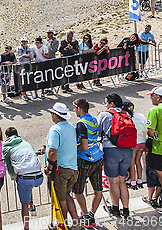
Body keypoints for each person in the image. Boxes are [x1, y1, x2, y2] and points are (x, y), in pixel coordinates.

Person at [98, 93, 133, 218]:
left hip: (111, 150)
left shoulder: (104, 114)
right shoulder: (127, 114)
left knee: (113, 182)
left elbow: (98, 132)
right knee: (122, 181)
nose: (106, 105)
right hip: (128, 150)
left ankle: (116, 209)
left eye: (107, 102)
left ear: (112, 103)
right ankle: (126, 210)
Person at [70, 99, 103, 228]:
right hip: (98, 157)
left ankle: (85, 216)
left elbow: (83, 146)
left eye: (74, 108)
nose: (73, 110)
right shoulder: (93, 119)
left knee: (78, 190)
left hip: (85, 160)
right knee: (98, 189)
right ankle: (91, 215)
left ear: (78, 108)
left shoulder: (81, 123)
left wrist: (71, 148)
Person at [2, 127, 43, 230]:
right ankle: (32, 204)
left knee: (23, 204)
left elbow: (8, 164)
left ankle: (26, 227)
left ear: (7, 137)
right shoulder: (26, 143)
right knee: (29, 185)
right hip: (39, 177)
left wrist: (12, 175)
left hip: (25, 179)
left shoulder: (6, 147)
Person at [45, 103, 78, 226]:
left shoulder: (55, 129)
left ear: (55, 115)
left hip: (60, 170)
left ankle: (62, 224)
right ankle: (76, 223)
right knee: (67, 196)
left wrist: (49, 167)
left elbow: (53, 151)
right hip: (72, 169)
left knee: (61, 199)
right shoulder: (70, 127)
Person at [146, 87, 162, 216]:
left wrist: (157, 136)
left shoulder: (155, 110)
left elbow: (150, 132)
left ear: (158, 97)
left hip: (160, 151)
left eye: (152, 96)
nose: (151, 98)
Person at [123, 101, 147, 191]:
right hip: (142, 141)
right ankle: (140, 180)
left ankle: (133, 181)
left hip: (134, 142)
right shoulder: (140, 115)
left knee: (132, 162)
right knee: (138, 161)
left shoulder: (127, 117)